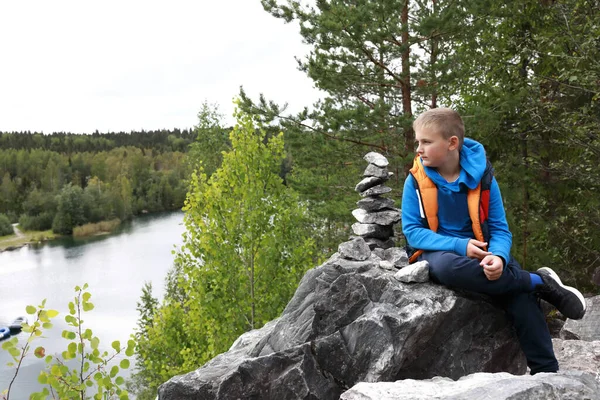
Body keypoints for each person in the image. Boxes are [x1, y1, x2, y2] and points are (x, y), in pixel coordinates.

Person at [401, 107, 587, 374]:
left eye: (426, 142)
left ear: (452, 143)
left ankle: (546, 373)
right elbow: (413, 232)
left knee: (520, 296)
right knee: (446, 268)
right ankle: (538, 281)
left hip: (485, 248)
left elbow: (500, 230)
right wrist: (459, 245)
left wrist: (498, 257)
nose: (419, 149)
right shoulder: (415, 181)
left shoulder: (484, 178)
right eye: (418, 142)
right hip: (440, 249)